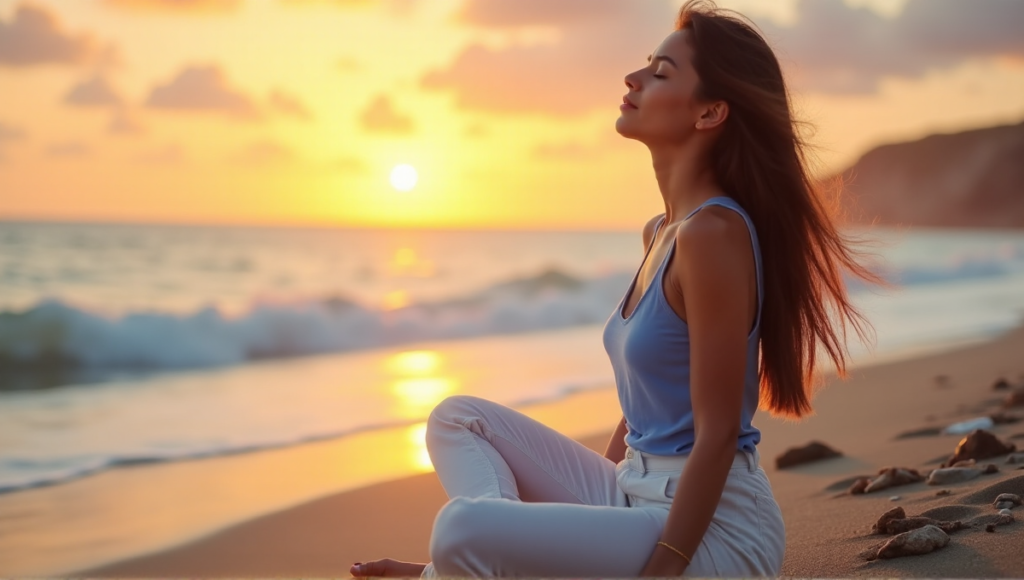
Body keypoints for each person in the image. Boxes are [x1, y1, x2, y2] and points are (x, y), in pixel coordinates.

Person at [351, 0, 873, 576]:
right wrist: (578, 517)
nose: (633, 77)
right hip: (633, 494)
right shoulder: (661, 232)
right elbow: (640, 412)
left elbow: (720, 432)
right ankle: (474, 564)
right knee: (456, 419)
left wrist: (665, 567)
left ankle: (462, 564)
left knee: (460, 528)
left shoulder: (713, 235)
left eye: (661, 73)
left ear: (709, 113)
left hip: (711, 534)